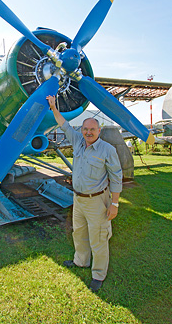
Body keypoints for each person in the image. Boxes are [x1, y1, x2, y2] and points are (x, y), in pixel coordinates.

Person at [46, 95, 122, 292]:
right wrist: (54, 107)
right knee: (78, 232)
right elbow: (64, 124)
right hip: (78, 199)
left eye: (92, 129)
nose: (88, 132)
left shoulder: (107, 150)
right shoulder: (78, 141)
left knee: (98, 238)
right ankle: (81, 261)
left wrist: (114, 204)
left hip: (97, 201)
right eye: (85, 129)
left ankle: (98, 274)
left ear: (99, 131)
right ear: (82, 130)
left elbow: (116, 177)